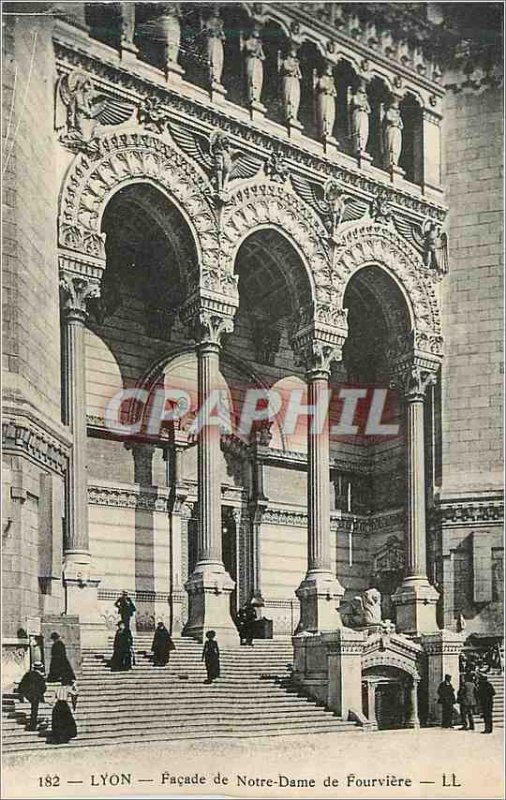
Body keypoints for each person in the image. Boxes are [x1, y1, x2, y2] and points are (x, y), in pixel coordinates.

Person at [18, 662, 46, 731]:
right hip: (36, 695)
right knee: (34, 710)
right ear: (40, 668)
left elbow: (22, 684)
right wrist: (41, 694)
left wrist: (22, 694)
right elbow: (44, 687)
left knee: (34, 709)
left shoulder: (28, 674)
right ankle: (33, 725)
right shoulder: (40, 676)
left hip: (28, 694)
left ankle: (32, 724)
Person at [51, 679, 78, 744]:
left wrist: (52, 703)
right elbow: (75, 693)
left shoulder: (57, 688)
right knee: (66, 721)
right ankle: (65, 737)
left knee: (58, 721)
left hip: (58, 705)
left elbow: (53, 699)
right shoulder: (67, 689)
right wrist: (75, 686)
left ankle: (58, 738)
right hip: (64, 705)